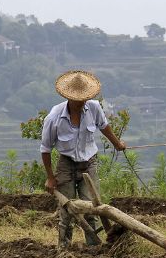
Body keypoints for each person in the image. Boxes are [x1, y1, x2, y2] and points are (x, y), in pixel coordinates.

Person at [40, 70, 126, 248]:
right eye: (78, 100)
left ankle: (93, 247)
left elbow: (104, 127)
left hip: (89, 164)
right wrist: (50, 177)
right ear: (68, 98)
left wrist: (117, 144)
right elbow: (45, 149)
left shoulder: (93, 107)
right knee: (67, 210)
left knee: (92, 209)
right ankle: (64, 248)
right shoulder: (54, 117)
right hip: (66, 164)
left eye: (84, 99)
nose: (81, 102)